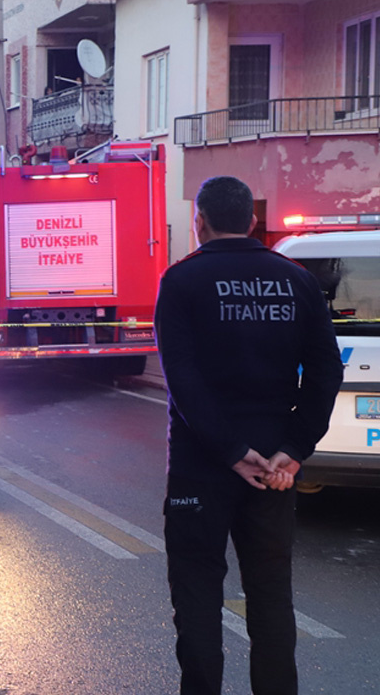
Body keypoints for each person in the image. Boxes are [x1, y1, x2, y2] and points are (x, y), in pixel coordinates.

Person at [154, 176, 343, 695]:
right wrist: (293, 450)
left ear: (199, 222)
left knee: (196, 599)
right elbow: (327, 371)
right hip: (275, 474)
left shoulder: (181, 281)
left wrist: (232, 453)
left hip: (201, 468)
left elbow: (182, 379)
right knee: (271, 601)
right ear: (253, 222)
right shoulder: (296, 279)